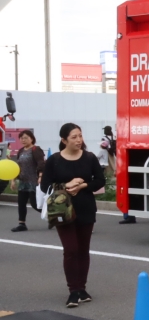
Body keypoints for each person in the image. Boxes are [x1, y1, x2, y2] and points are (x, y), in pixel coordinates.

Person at [40, 123, 105, 308]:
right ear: (64, 140)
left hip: (86, 207)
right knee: (71, 250)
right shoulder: (54, 160)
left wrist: (83, 185)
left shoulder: (89, 158)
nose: (79, 140)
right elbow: (45, 186)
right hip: (63, 210)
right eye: (74, 137)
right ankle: (73, 290)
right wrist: (68, 185)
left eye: (80, 136)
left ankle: (82, 289)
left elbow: (100, 181)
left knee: (83, 250)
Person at [10, 130, 45, 232]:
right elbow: (17, 167)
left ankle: (52, 216)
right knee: (21, 203)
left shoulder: (35, 149)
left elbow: (41, 163)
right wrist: (13, 180)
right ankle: (22, 224)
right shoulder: (21, 151)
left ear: (31, 138)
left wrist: (40, 176)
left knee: (35, 204)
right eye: (21, 138)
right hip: (23, 181)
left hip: (34, 181)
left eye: (26, 138)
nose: (23, 140)